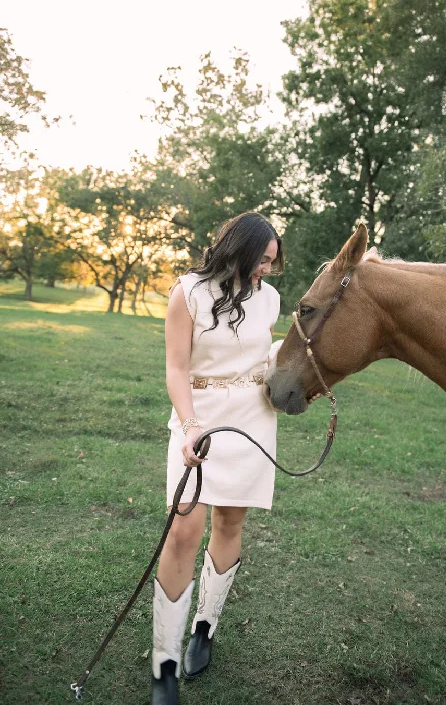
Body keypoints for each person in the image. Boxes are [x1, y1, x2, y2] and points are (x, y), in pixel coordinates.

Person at [150, 211, 284, 705]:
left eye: (271, 263)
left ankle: (204, 628)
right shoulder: (187, 292)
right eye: (261, 260)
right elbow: (176, 367)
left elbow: (261, 357)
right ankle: (164, 662)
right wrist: (189, 426)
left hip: (253, 419)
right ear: (238, 249)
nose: (265, 271)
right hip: (198, 420)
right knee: (183, 530)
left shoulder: (269, 300)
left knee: (229, 524)